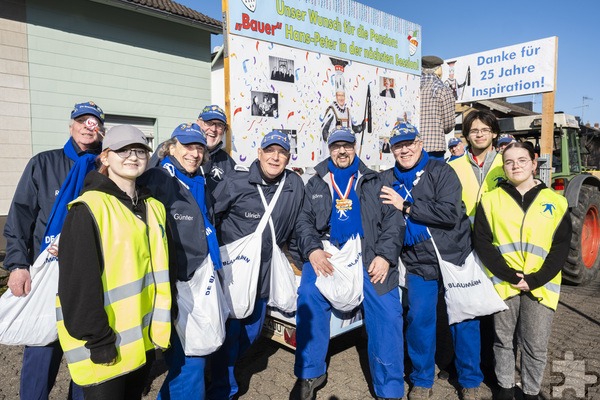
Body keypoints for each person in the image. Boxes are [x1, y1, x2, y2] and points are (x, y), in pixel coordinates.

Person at [56, 125, 171, 399]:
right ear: (105, 157)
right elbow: (78, 284)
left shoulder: (154, 207)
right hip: (104, 344)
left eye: (140, 150)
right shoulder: (87, 209)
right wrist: (99, 340)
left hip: (140, 342)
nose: (133, 156)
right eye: (123, 150)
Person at [293, 128, 405, 400]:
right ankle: (310, 372)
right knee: (308, 296)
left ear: (355, 147)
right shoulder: (317, 182)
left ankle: (389, 388)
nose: (341, 151)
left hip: (368, 251)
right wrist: (313, 251)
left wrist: (385, 256)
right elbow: (303, 222)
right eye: (336, 146)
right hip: (328, 249)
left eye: (347, 146)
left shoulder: (375, 180)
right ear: (329, 149)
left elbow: (393, 222)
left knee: (388, 312)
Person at [3, 101, 105, 400]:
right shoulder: (43, 163)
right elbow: (20, 216)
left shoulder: (107, 166)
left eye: (93, 121)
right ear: (71, 126)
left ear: (100, 129)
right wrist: (18, 264)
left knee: (85, 346)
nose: (88, 126)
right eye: (81, 120)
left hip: (88, 271)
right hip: (45, 269)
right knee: (41, 347)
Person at [379, 123, 483, 400]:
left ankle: (470, 380)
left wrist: (407, 206)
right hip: (417, 262)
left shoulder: (441, 171)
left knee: (465, 320)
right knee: (419, 320)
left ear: (420, 143)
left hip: (453, 257)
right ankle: (422, 379)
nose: (405, 149)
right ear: (392, 149)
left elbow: (449, 213)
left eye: (409, 143)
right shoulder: (388, 178)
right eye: (398, 145)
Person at [207, 130, 305, 400]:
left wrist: (304, 259)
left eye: (282, 152)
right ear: (259, 153)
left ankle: (219, 370)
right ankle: (222, 389)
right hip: (234, 273)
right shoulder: (235, 182)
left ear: (288, 157)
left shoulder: (294, 185)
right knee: (230, 333)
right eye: (270, 151)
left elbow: (299, 225)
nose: (275, 157)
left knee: (251, 331)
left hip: (264, 273)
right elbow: (211, 218)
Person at [473, 142, 571, 400]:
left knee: (535, 345)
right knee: (502, 341)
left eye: (522, 160)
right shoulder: (491, 199)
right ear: (503, 167)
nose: (515, 166)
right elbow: (482, 241)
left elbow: (561, 247)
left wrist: (535, 279)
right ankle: (504, 390)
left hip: (541, 286)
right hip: (505, 283)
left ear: (533, 163)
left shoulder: (556, 201)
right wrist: (509, 275)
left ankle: (530, 392)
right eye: (509, 162)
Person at [138, 123, 220, 400]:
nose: (195, 153)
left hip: (195, 280)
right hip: (170, 282)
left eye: (199, 148)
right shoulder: (159, 178)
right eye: (187, 146)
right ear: (170, 147)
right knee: (190, 359)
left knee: (188, 359)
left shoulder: (199, 181)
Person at [449, 109, 505, 224]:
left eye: (485, 130)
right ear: (467, 136)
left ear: (494, 133)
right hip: (464, 235)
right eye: (474, 131)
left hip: (499, 234)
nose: (480, 134)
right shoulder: (451, 167)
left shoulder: (507, 164)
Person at [420, 55, 456, 160]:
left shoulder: (413, 86)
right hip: (434, 146)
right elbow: (449, 124)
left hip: (412, 145)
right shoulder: (442, 89)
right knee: (435, 175)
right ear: (438, 69)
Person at [195, 105, 237, 192]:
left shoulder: (227, 162)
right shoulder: (177, 151)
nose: (213, 129)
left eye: (219, 125)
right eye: (209, 123)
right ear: (198, 123)